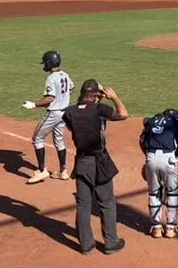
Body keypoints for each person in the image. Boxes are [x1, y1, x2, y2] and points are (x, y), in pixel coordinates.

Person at [63, 79, 129, 255]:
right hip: (99, 163)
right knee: (106, 203)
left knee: (83, 205)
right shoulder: (100, 110)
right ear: (97, 96)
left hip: (81, 163)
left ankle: (86, 246)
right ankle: (111, 243)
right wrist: (114, 97)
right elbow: (124, 114)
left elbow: (73, 125)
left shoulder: (69, 112)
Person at [22, 50, 73, 183]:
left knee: (37, 138)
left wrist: (33, 104)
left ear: (50, 63)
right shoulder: (65, 75)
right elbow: (71, 88)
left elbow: (50, 98)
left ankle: (42, 171)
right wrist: (64, 98)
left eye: (45, 62)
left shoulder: (51, 78)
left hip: (54, 113)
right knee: (59, 141)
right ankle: (63, 172)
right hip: (64, 113)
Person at [139, 108, 178, 239]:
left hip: (150, 158)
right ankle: (171, 228)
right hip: (169, 158)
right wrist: (173, 155)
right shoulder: (176, 121)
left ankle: (156, 228)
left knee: (154, 191)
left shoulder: (151, 121)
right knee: (173, 191)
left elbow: (142, 141)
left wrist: (148, 157)